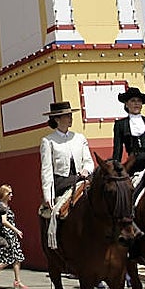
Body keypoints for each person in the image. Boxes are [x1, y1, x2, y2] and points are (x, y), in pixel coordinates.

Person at [39, 101, 95, 249]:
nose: (70, 118)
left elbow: (89, 161)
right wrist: (48, 195)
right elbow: (46, 170)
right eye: (67, 116)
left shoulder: (79, 138)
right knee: (60, 211)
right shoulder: (48, 141)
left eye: (70, 115)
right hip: (62, 182)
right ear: (57, 119)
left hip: (82, 178)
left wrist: (86, 170)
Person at [0, 184, 26, 288]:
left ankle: (17, 281)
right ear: (4, 194)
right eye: (9, 193)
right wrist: (16, 230)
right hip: (8, 234)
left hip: (11, 235)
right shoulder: (2, 206)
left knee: (17, 257)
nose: (11, 195)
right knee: (8, 259)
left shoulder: (5, 205)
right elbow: (4, 221)